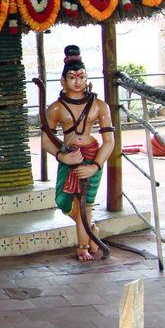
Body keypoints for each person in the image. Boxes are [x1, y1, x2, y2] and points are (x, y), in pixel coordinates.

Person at [41, 46, 115, 261]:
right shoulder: (56, 108)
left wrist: (95, 166)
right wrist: (61, 156)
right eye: (72, 77)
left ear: (87, 78)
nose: (77, 82)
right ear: (63, 81)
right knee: (64, 202)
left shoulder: (99, 106)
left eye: (81, 77)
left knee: (85, 203)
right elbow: (46, 140)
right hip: (68, 156)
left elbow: (109, 141)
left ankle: (82, 246)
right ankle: (91, 229)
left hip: (91, 156)